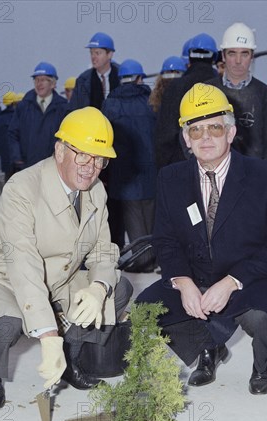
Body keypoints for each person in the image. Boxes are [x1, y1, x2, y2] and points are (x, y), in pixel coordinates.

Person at [0, 107, 133, 411]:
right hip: (0, 274)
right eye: (82, 155)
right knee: (7, 321)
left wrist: (97, 287)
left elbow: (104, 250)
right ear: (60, 150)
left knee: (118, 290)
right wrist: (49, 336)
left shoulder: (96, 192)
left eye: (99, 159)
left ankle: (71, 359)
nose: (90, 167)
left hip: (56, 276)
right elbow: (23, 264)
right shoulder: (22, 188)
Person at [137, 84, 267, 395]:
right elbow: (165, 240)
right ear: (186, 139)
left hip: (253, 277)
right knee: (146, 309)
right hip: (198, 274)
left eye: (214, 127)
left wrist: (232, 282)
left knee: (262, 318)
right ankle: (208, 349)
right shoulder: (171, 179)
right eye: (196, 130)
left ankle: (264, 364)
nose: (206, 137)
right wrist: (183, 281)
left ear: (231, 132)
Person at [102, 59, 157, 272]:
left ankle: (143, 261)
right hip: (150, 169)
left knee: (133, 218)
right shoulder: (150, 100)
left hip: (123, 172)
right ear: (139, 78)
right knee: (151, 218)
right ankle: (154, 259)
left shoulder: (111, 102)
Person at [206, 22, 267, 163]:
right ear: (223, 56)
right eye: (232, 53)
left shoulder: (264, 95)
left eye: (244, 54)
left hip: (253, 179)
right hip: (213, 177)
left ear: (252, 56)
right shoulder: (206, 92)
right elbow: (188, 134)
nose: (238, 61)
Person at [154, 33, 218, 169]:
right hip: (217, 167)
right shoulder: (220, 87)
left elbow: (164, 137)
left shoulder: (175, 88)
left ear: (189, 57)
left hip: (180, 167)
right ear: (214, 57)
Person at [8, 62, 68, 170]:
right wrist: (17, 158)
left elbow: (67, 138)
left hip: (54, 168)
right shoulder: (23, 107)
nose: (39, 84)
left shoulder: (63, 108)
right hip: (27, 168)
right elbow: (13, 134)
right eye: (36, 80)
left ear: (53, 84)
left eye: (43, 80)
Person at [68, 32, 120, 111]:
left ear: (110, 54)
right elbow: (74, 110)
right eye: (91, 53)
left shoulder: (122, 77)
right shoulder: (83, 81)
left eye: (97, 53)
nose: (93, 57)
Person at [0, 91, 18, 182]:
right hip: (16, 157)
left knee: (8, 180)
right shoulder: (17, 117)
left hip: (4, 156)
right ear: (14, 103)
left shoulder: (0, 118)